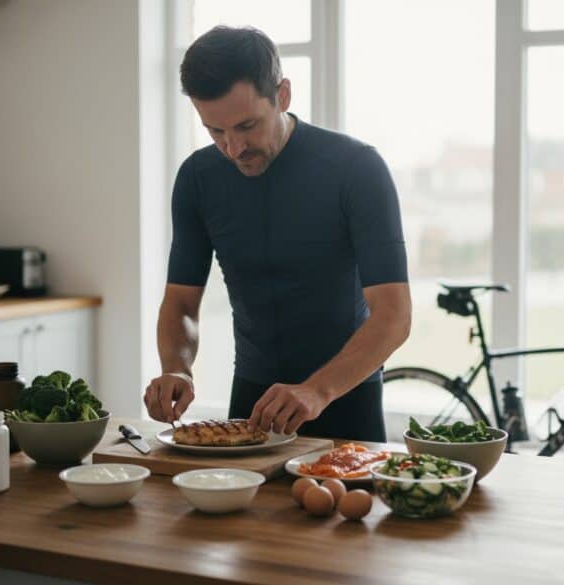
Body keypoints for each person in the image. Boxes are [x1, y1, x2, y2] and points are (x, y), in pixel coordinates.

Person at [143, 26, 411, 441]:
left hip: (346, 402)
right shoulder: (197, 178)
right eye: (215, 131)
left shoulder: (357, 168)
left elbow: (393, 316)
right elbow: (180, 303)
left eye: (247, 126)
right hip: (252, 404)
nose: (233, 148)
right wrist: (176, 368)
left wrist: (316, 391)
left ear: (283, 95)